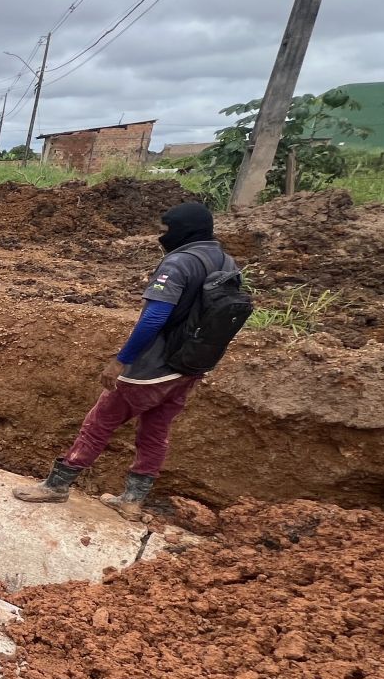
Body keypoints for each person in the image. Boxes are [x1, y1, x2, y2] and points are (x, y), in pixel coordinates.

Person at [14, 201, 238, 518]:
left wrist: (122, 360)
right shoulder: (225, 261)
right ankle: (132, 500)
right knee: (155, 433)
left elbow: (153, 319)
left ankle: (56, 486)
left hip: (152, 368)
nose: (162, 235)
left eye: (166, 229)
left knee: (99, 424)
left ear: (183, 230)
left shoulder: (178, 264)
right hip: (189, 367)